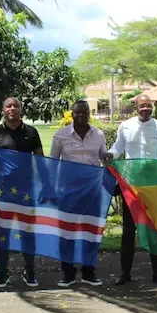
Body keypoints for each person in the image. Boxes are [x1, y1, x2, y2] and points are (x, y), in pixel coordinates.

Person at [108, 95, 157, 286]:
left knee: (155, 230)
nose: (145, 109)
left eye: (148, 106)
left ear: (152, 107)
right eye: (142, 106)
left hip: (154, 186)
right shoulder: (125, 126)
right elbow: (117, 148)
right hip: (131, 186)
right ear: (135, 107)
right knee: (128, 231)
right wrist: (108, 155)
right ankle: (125, 273)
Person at [0, 97, 44, 288]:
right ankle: (3, 273)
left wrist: (47, 185)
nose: (12, 108)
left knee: (28, 232)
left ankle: (30, 272)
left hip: (27, 191)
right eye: (8, 106)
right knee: (3, 233)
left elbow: (41, 161)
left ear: (21, 110)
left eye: (16, 106)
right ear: (3, 110)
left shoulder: (31, 132)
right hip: (3, 192)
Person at [49, 100, 108, 287]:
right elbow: (52, 163)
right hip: (68, 191)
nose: (81, 116)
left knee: (90, 231)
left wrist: (110, 161)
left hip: (92, 191)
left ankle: (88, 272)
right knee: (67, 231)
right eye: (77, 113)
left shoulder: (98, 134)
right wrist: (52, 188)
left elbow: (103, 158)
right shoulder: (61, 135)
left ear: (89, 113)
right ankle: (67, 273)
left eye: (85, 112)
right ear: (72, 114)